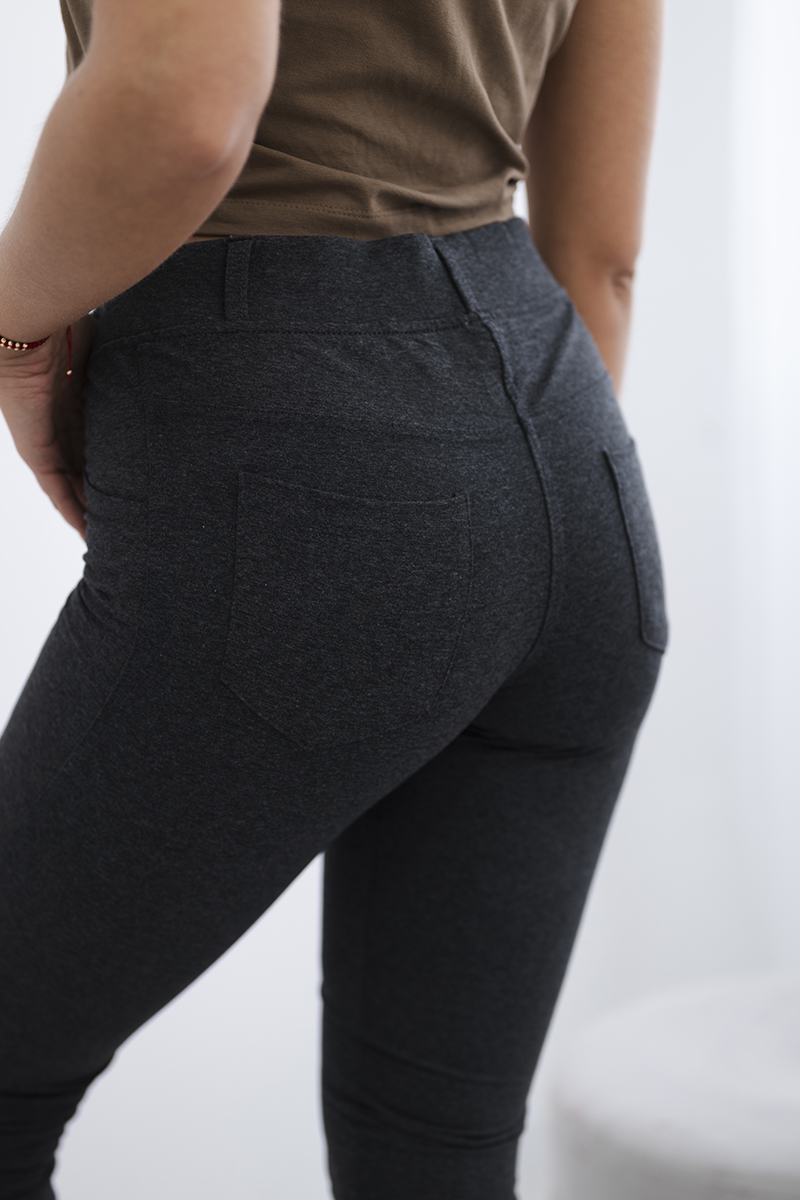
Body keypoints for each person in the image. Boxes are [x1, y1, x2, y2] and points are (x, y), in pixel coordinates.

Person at [0, 0, 666, 1195]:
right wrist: (491, 524)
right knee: (433, 1143)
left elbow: (185, 104)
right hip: (576, 470)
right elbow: (600, 256)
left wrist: (11, 334)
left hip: (297, 432)